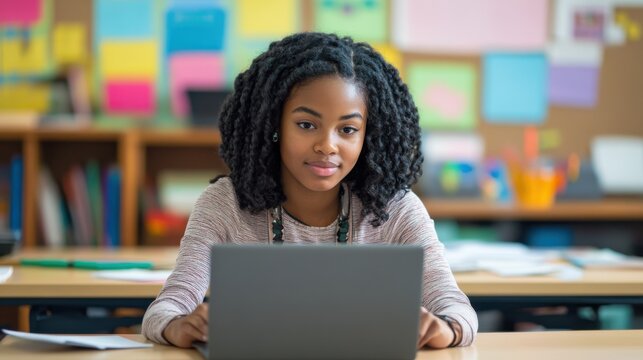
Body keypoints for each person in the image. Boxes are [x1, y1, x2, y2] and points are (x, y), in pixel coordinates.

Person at [142, 32, 478, 349]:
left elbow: (458, 309)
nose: (327, 146)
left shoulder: (396, 208)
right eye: (306, 125)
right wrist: (178, 326)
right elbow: (164, 310)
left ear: (367, 136)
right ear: (274, 123)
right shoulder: (225, 204)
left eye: (347, 129)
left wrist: (447, 329)